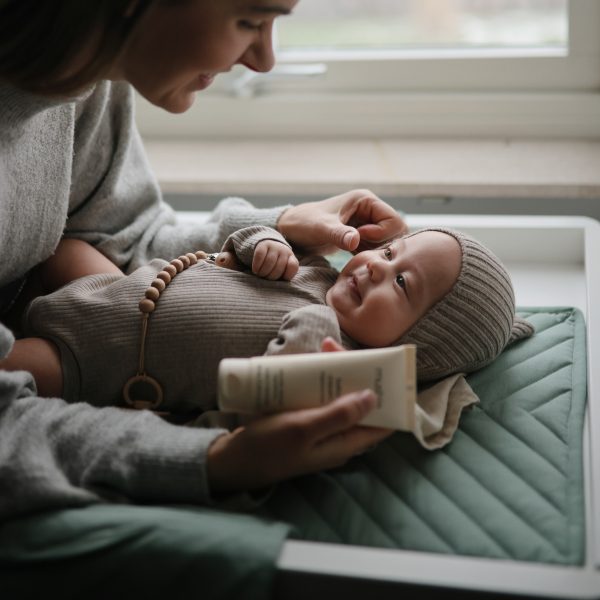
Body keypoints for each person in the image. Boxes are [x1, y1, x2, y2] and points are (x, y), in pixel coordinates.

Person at [0, 0, 409, 520]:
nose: (264, 62)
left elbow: (122, 237)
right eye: (250, 22)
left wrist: (277, 227)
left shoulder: (86, 79)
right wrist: (216, 460)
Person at [1, 215, 534, 442]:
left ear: (417, 342)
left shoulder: (332, 360)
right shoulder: (320, 269)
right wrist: (265, 244)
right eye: (390, 251)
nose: (375, 265)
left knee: (16, 365)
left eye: (401, 284)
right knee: (62, 245)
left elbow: (266, 396)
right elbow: (241, 240)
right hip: (122, 286)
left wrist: (314, 341)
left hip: (96, 356)